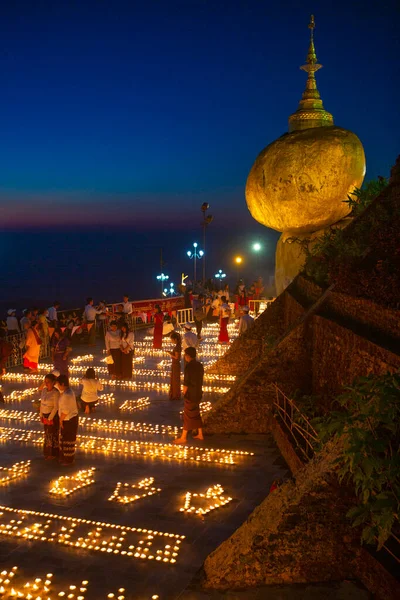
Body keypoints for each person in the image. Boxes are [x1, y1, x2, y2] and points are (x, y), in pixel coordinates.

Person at [174, 347, 204, 444]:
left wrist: (184, 392)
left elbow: (186, 382)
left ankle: (183, 437)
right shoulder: (200, 365)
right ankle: (200, 434)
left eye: (185, 355)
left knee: (188, 415)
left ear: (188, 356)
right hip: (198, 392)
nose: (184, 357)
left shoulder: (189, 366)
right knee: (196, 413)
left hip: (191, 394)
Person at [57, 375, 79, 465]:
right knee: (65, 438)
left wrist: (61, 420)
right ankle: (65, 457)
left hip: (69, 420)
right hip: (71, 418)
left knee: (67, 439)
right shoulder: (69, 391)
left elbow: (65, 411)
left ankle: (68, 459)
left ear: (62, 384)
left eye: (58, 384)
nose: (57, 386)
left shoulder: (67, 395)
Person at [39, 373, 60, 459]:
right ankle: (47, 452)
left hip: (52, 417)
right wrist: (41, 415)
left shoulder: (55, 393)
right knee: (47, 434)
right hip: (45, 415)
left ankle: (53, 453)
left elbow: (56, 407)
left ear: (53, 382)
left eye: (48, 382)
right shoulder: (44, 390)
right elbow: (41, 403)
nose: (46, 383)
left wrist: (50, 418)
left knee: (52, 435)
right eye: (45, 382)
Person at [168, 331, 182, 401]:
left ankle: (175, 395)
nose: (171, 341)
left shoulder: (177, 347)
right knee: (175, 379)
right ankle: (174, 394)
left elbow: (176, 357)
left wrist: (170, 354)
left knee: (175, 380)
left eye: (172, 340)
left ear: (175, 339)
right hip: (175, 364)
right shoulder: (178, 346)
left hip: (176, 364)